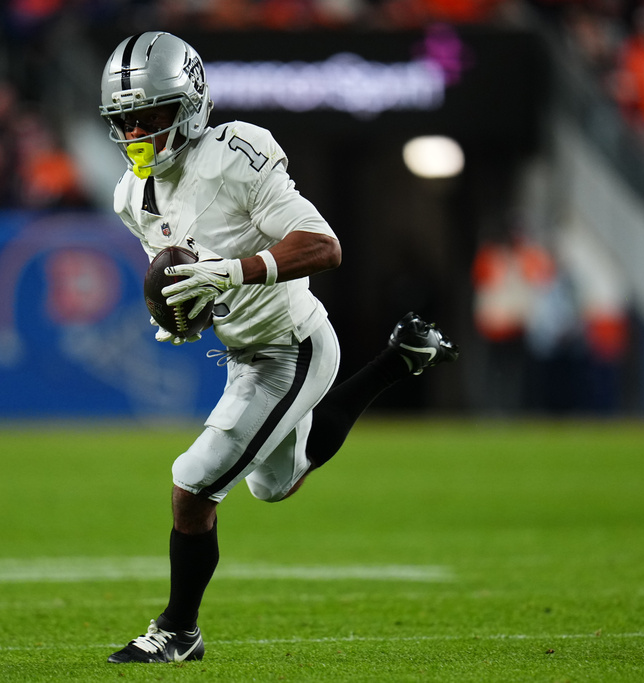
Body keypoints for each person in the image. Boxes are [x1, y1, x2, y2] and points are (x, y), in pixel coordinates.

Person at [99, 31, 458, 664]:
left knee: (193, 484)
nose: (138, 134)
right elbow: (184, 276)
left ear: (190, 105)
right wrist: (186, 314)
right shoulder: (133, 194)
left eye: (151, 116)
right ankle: (401, 359)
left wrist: (231, 272)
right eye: (126, 121)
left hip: (292, 347)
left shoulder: (237, 154)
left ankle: (178, 630)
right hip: (243, 354)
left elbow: (324, 245)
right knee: (274, 485)